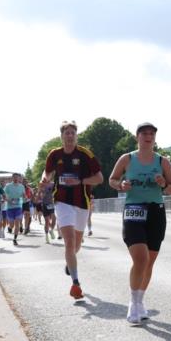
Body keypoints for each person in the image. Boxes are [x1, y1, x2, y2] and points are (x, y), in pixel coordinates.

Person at [108, 122, 171, 324]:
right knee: (140, 258)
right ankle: (132, 302)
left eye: (152, 134)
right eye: (144, 133)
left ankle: (140, 301)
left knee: (150, 261)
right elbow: (112, 180)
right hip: (134, 210)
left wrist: (164, 184)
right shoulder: (127, 159)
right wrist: (121, 185)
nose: (148, 137)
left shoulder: (162, 161)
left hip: (156, 211)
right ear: (137, 137)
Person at [40, 120, 103, 299]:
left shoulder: (85, 155)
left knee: (76, 245)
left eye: (72, 133)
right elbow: (48, 172)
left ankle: (70, 262)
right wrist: (45, 179)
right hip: (62, 201)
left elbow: (99, 178)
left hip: (82, 203)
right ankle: (75, 284)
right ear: (61, 136)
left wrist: (80, 181)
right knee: (69, 242)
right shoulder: (54, 154)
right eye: (66, 133)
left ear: (76, 136)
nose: (69, 136)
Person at [4, 173, 27, 246]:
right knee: (12, 225)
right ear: (12, 178)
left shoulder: (21, 186)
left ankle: (15, 239)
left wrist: (25, 197)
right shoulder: (8, 186)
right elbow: (3, 195)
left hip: (18, 207)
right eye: (14, 177)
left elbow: (23, 195)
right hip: (10, 207)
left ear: (19, 178)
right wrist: (8, 200)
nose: (16, 179)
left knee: (17, 223)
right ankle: (9, 227)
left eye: (17, 177)